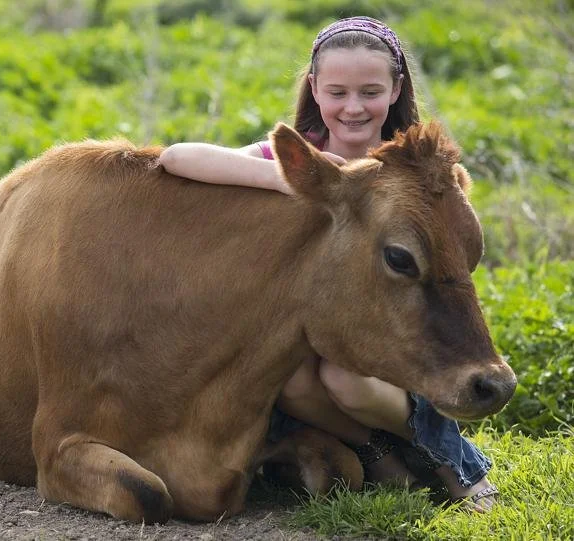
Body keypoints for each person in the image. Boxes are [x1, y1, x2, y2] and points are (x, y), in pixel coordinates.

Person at [159, 16, 499, 512]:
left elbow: (452, 258)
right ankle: (379, 456)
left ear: (396, 88)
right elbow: (176, 157)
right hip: (309, 341)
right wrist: (290, 179)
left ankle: (452, 463)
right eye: (337, 91)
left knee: (345, 382)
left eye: (370, 91)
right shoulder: (305, 160)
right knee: (296, 382)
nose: (354, 107)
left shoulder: (413, 171)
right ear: (314, 88)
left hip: (392, 341)